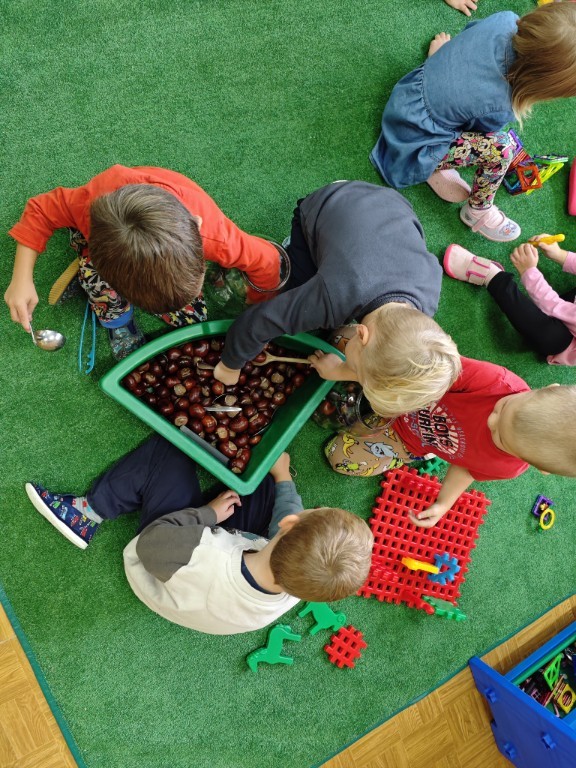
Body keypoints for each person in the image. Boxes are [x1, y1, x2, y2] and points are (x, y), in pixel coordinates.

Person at [24, 436, 373, 635]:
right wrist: (283, 477)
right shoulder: (303, 583)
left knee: (170, 449)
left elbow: (151, 544)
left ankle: (87, 512)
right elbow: (283, 524)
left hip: (167, 557)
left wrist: (208, 515)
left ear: (291, 525)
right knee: (267, 483)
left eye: (313, 511)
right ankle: (254, 479)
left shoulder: (202, 555)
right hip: (233, 564)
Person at [213, 180, 462, 420]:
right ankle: (295, 248)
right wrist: (229, 366)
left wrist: (342, 370)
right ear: (360, 333)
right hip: (328, 204)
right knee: (294, 287)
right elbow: (258, 323)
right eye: (358, 372)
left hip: (388, 206)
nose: (354, 374)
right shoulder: (334, 296)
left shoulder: (425, 300)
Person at [5, 165, 282, 359]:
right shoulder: (89, 206)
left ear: (197, 227)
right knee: (98, 285)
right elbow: (41, 210)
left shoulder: (217, 236)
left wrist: (257, 309)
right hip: (104, 243)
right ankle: (112, 312)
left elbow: (268, 261)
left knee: (194, 318)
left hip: (124, 236)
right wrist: (21, 278)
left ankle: (90, 268)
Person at [370, 4, 576, 242]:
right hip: (414, 142)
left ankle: (437, 65)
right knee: (502, 149)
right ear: (545, 84)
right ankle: (477, 210)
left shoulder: (506, 19)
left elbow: (469, 38)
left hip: (409, 94)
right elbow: (481, 131)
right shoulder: (503, 104)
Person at [325, 356, 576, 527]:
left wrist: (444, 503)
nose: (491, 421)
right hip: (403, 391)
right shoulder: (495, 381)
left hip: (406, 438)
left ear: (537, 466)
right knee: (347, 342)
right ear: (547, 387)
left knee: (339, 456)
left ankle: (407, 450)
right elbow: (425, 369)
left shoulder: (507, 468)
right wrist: (350, 372)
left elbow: (467, 469)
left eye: (500, 437)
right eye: (503, 407)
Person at [443, 238, 576, 365]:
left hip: (566, 342)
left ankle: (493, 277)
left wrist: (528, 271)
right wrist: (560, 255)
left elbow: (555, 306)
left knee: (553, 339)